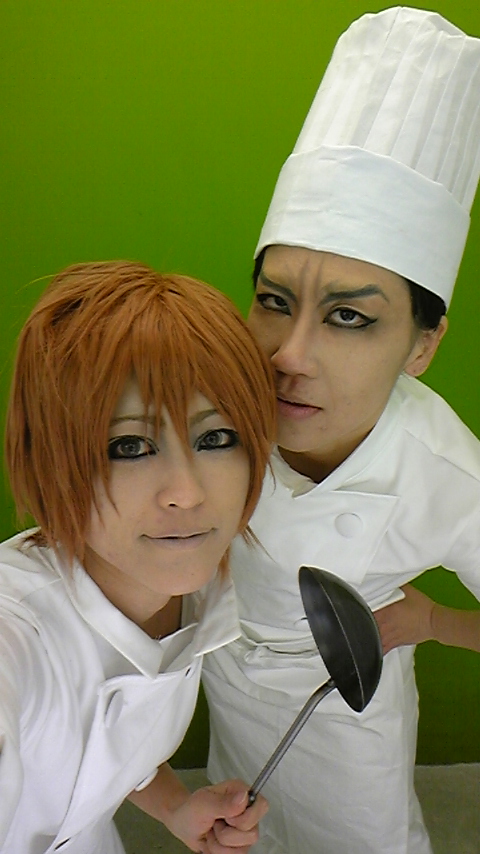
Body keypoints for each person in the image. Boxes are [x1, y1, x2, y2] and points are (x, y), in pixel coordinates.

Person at [202, 8, 480, 854]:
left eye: (351, 317)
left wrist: (434, 624)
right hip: (227, 679)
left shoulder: (442, 472)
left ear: (422, 345)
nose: (289, 356)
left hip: (346, 713)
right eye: (274, 301)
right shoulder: (215, 397)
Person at [0, 260, 274, 854]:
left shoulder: (191, 590)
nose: (187, 492)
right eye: (130, 446)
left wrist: (175, 807)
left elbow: (113, 742)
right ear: (50, 460)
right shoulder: (15, 627)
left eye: (216, 438)